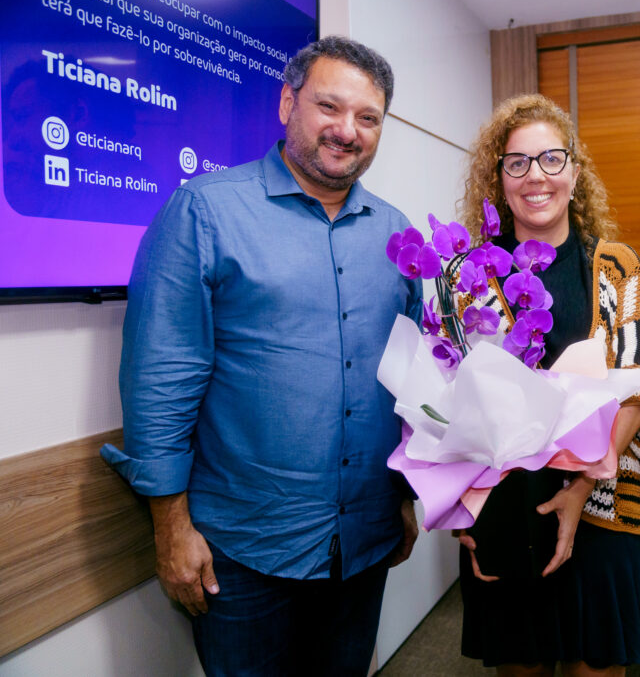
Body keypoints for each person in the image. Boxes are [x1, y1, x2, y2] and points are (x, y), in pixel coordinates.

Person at [100, 36, 422, 676]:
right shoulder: (206, 211)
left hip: (362, 542)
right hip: (242, 550)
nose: (347, 131)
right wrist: (171, 529)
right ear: (286, 102)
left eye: (368, 118)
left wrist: (405, 499)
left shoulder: (398, 235)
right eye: (329, 107)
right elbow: (159, 382)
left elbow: (408, 383)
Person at [454, 93, 640, 676]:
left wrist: (580, 487)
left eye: (551, 159)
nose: (536, 177)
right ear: (498, 180)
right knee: (521, 666)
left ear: (575, 172)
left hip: (602, 505)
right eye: (517, 163)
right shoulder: (467, 275)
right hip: (504, 509)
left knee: (597, 666)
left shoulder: (617, 266)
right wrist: (463, 509)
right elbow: (451, 404)